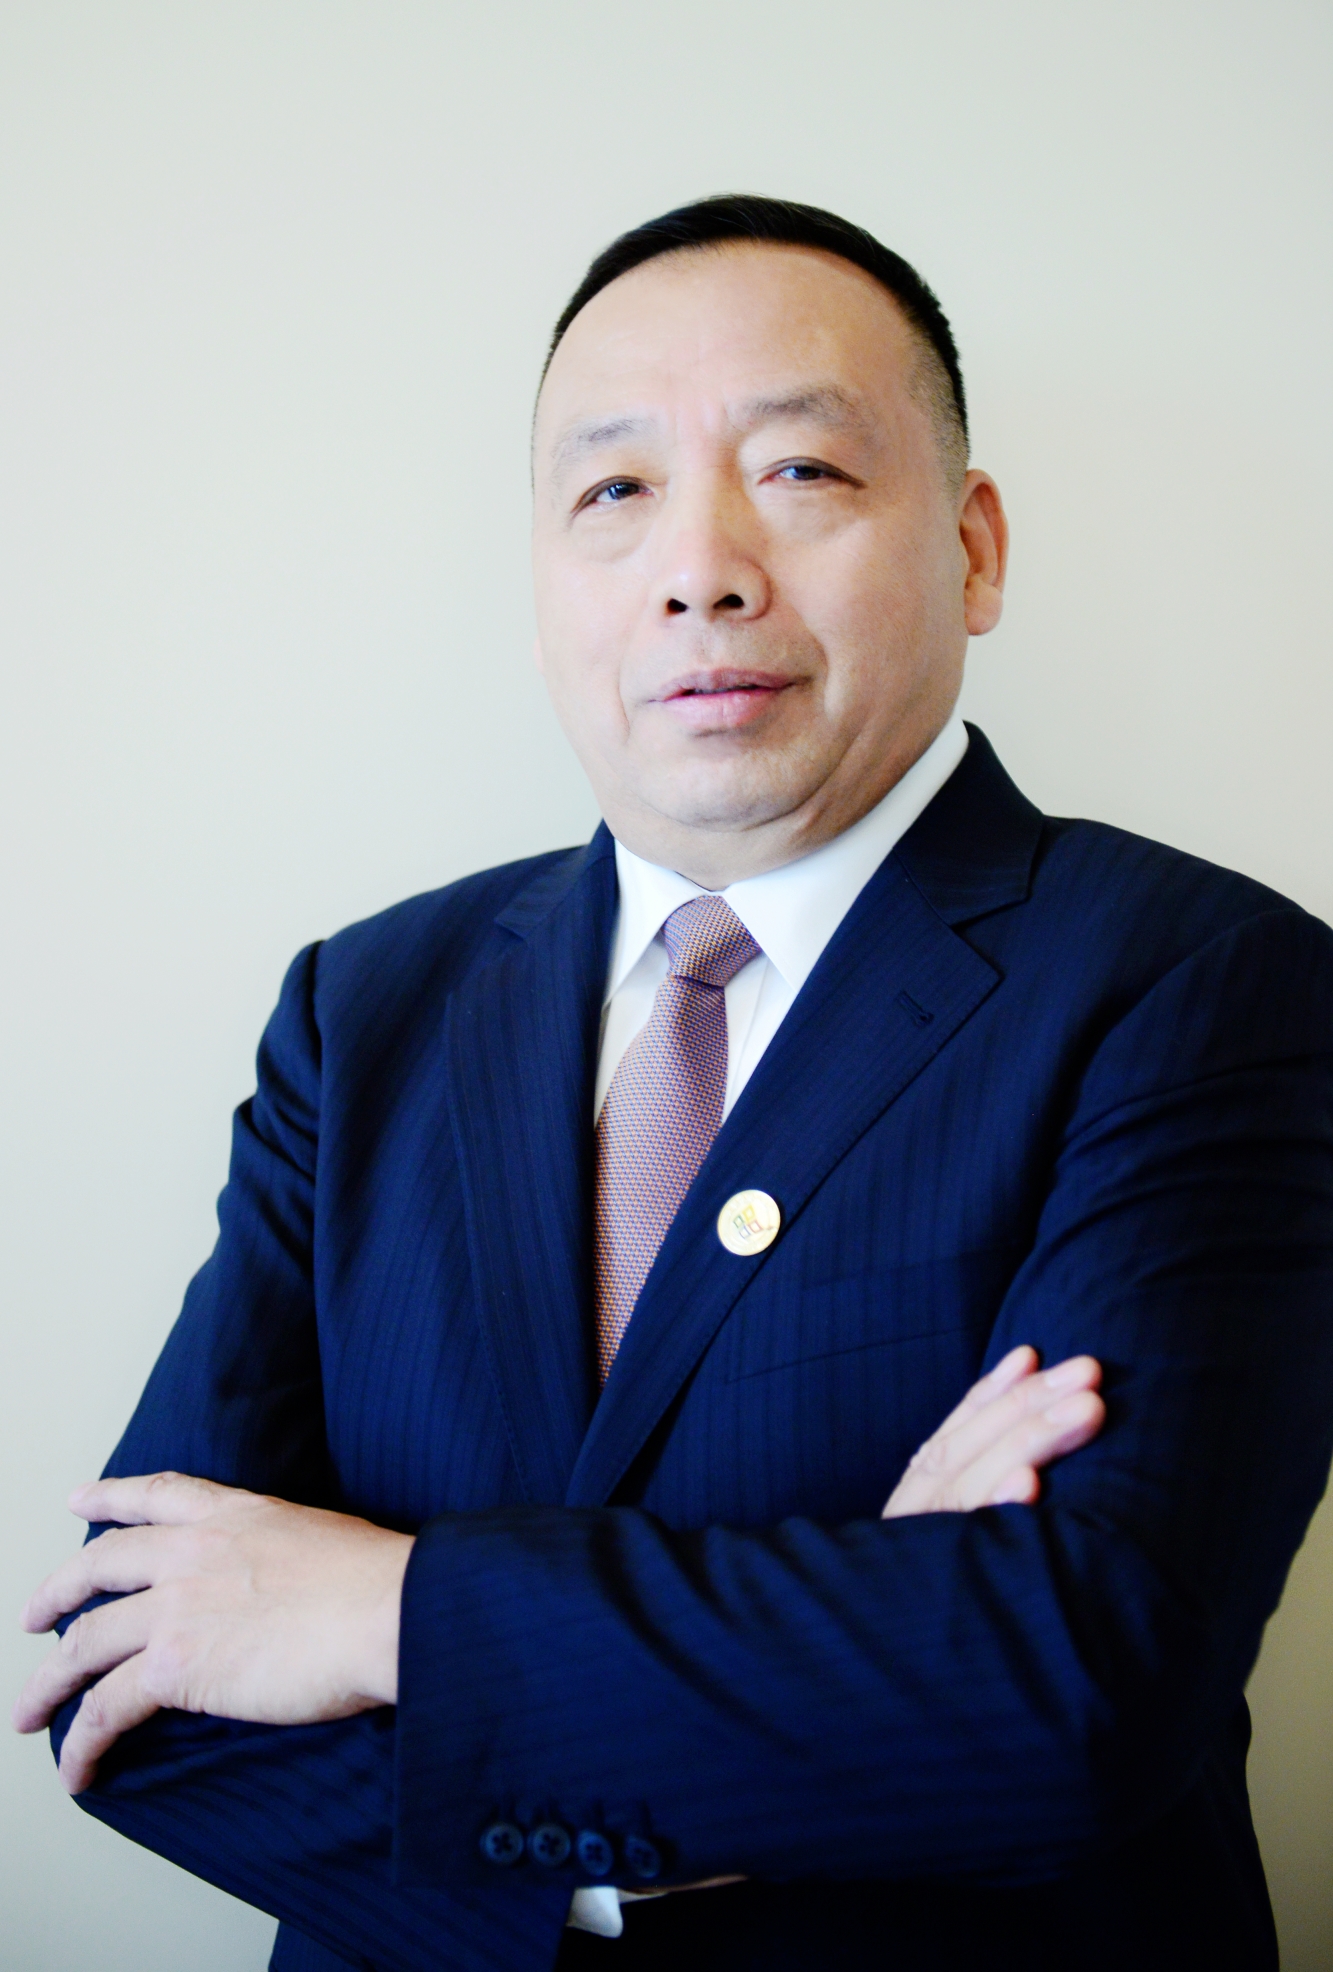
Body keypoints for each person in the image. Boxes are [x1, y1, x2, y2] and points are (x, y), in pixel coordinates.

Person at [14, 195, 1333, 1972]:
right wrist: (822, 1684)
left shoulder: (1195, 981)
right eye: (614, 490)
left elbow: (1072, 1687)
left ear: (973, 548)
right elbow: (133, 1673)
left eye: (799, 470)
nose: (698, 567)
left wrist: (385, 1610)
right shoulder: (366, 1007)